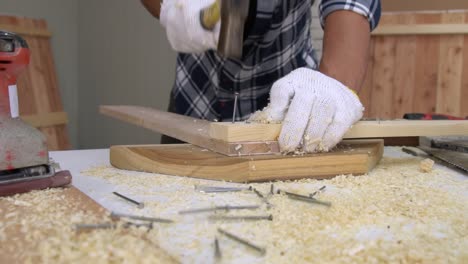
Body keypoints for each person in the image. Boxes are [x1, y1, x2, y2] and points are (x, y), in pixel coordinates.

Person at [141, 0, 381, 153]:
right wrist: (176, 8)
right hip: (193, 105)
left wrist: (334, 86)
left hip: (288, 118)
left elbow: (350, 5)